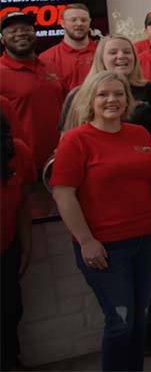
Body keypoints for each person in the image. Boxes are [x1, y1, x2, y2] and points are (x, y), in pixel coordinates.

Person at [51, 71, 151, 372]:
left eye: (118, 93)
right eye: (103, 95)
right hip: (105, 247)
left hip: (146, 239)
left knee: (139, 318)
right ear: (90, 100)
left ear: (127, 99)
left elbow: (148, 177)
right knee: (120, 322)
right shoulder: (76, 140)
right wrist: (86, 241)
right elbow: (63, 195)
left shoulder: (139, 134)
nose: (111, 100)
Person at [0, 11, 65, 169]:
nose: (21, 34)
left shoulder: (50, 66)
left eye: (26, 29)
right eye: (13, 31)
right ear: (2, 39)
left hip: (60, 158)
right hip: (22, 165)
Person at [0, 106, 33, 371]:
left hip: (6, 247)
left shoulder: (17, 151)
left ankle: (10, 361)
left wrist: (26, 244)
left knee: (10, 309)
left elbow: (22, 201)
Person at [39, 2, 97, 91]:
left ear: (89, 22)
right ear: (62, 23)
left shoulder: (104, 51)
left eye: (84, 20)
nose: (79, 23)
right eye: (73, 20)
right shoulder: (47, 58)